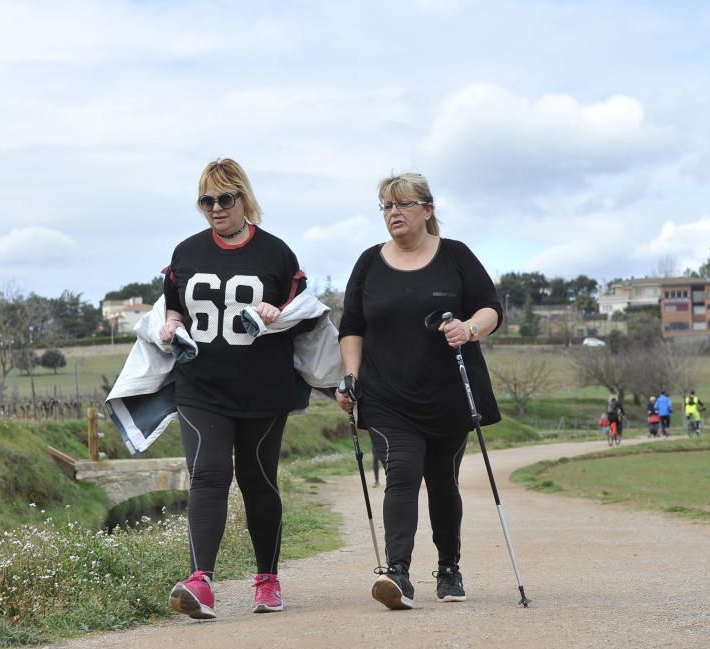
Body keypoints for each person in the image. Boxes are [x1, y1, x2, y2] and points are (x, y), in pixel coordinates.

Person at [336, 171, 502, 611]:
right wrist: (349, 377)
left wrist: (469, 328)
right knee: (402, 474)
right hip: (388, 394)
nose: (394, 213)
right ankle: (398, 574)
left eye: (403, 204)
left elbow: (492, 309)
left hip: (448, 392)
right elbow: (352, 326)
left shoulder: (456, 256)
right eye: (386, 207)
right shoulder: (369, 262)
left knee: (443, 482)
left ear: (427, 210)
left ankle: (449, 568)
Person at [162, 158, 314, 620]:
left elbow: (303, 309)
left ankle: (267, 579)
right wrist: (170, 325)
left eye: (224, 199)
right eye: (206, 201)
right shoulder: (185, 253)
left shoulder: (277, 254)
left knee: (257, 480)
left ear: (243, 199)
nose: (215, 208)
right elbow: (171, 308)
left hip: (264, 389)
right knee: (208, 475)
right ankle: (200, 582)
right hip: (200, 386)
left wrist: (276, 312)